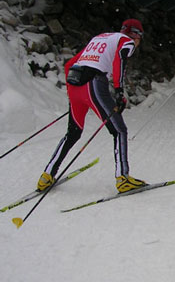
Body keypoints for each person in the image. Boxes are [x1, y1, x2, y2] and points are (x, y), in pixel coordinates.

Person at [37, 19, 147, 193]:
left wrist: (73, 97)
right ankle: (123, 178)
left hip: (75, 83)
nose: (138, 43)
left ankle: (46, 176)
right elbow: (119, 61)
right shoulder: (126, 41)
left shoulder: (100, 38)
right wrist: (119, 91)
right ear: (136, 35)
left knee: (73, 133)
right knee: (119, 130)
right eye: (139, 38)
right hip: (93, 84)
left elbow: (69, 64)